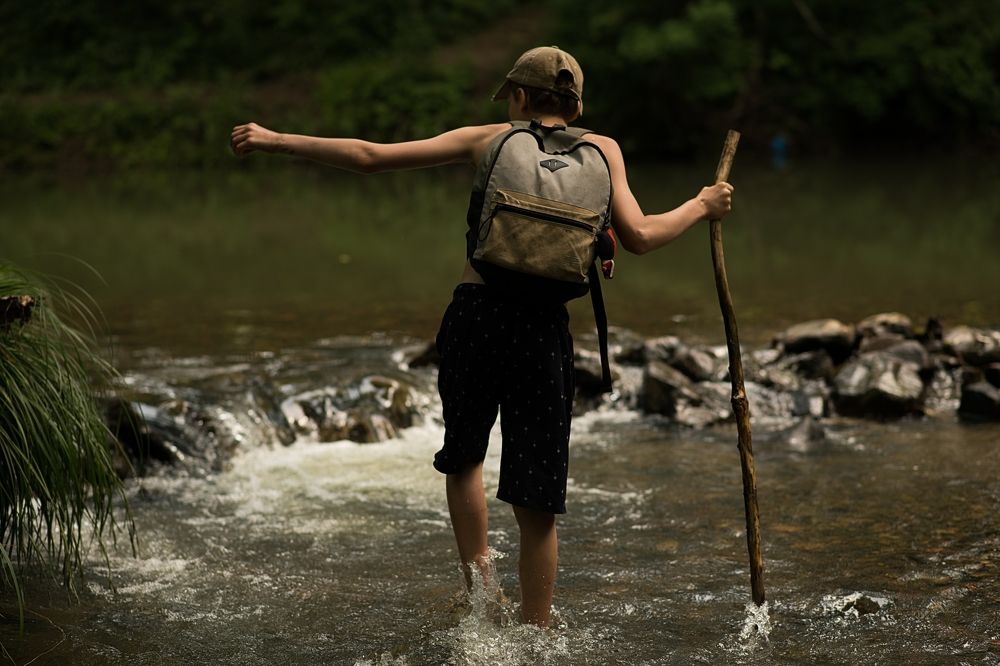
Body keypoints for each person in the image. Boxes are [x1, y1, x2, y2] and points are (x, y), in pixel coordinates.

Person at [231, 45, 733, 629]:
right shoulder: (605, 151)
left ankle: (481, 595)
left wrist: (275, 139)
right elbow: (642, 235)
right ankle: (537, 627)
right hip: (545, 329)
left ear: (519, 97)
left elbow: (370, 157)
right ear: (576, 103)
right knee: (538, 493)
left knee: (466, 458)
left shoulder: (489, 139)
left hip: (479, 314)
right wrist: (702, 204)